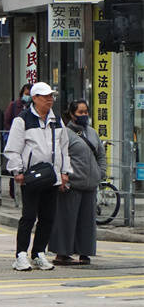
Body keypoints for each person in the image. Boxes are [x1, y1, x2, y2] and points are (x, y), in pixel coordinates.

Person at [4, 82, 73, 272]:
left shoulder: (56, 120)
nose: (50, 100)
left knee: (48, 217)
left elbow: (64, 148)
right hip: (32, 177)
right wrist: (17, 171)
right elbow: (13, 148)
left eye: (51, 96)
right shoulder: (23, 120)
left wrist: (65, 172)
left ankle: (39, 253)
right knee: (28, 216)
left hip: (52, 177)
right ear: (34, 98)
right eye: (45, 96)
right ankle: (20, 255)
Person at [49, 100, 105, 266]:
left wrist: (100, 173)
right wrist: (63, 176)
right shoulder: (64, 133)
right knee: (66, 219)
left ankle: (84, 252)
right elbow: (59, 156)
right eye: (80, 112)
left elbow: (101, 155)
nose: (84, 115)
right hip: (72, 184)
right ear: (72, 114)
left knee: (87, 222)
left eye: (86, 112)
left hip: (90, 184)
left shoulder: (93, 133)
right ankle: (62, 253)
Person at [3, 84, 32, 200]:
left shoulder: (34, 108)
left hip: (28, 143)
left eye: (30, 94)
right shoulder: (14, 105)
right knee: (15, 166)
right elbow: (7, 120)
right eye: (26, 93)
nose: (28, 96)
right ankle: (13, 191)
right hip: (16, 139)